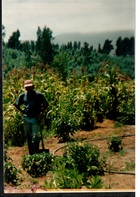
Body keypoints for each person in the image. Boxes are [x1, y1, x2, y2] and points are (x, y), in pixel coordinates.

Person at [14, 79, 49, 155]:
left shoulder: (38, 95)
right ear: (24, 88)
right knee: (29, 135)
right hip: (26, 117)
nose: (28, 88)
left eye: (29, 87)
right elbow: (15, 104)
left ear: (32, 86)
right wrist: (22, 111)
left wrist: (41, 113)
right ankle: (31, 153)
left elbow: (46, 104)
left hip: (35, 118)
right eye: (26, 87)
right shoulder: (23, 95)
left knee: (35, 135)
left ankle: (36, 152)